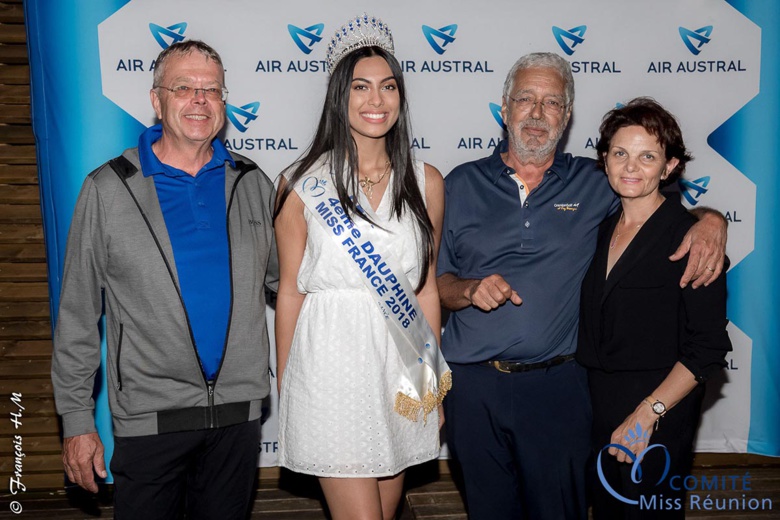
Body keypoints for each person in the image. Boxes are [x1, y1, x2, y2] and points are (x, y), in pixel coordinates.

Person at [436, 52, 727, 519]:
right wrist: (468, 291)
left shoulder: (596, 182)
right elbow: (438, 284)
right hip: (472, 386)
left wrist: (713, 221)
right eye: (525, 99)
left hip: (560, 387)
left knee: (560, 510)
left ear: (567, 116)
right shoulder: (458, 184)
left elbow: (658, 208)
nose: (536, 113)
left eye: (551, 103)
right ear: (505, 107)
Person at [51, 40, 278, 519]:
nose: (200, 99)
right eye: (184, 87)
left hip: (238, 419)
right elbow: (76, 314)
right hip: (150, 422)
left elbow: (290, 281)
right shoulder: (108, 189)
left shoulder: (252, 182)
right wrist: (76, 420)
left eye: (212, 90)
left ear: (224, 101)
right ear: (156, 101)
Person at [273, 14, 450, 520]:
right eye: (361, 87)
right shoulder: (299, 184)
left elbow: (426, 292)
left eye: (388, 86)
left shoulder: (426, 181)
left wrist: (430, 386)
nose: (377, 100)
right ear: (339, 96)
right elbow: (290, 292)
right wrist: (290, 386)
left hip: (399, 366)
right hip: (329, 368)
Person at [577, 98, 731, 519]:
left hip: (659, 412)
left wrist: (648, 414)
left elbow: (707, 347)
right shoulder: (601, 227)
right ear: (605, 160)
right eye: (620, 153)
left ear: (669, 167)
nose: (631, 167)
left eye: (648, 157)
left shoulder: (691, 240)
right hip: (598, 406)